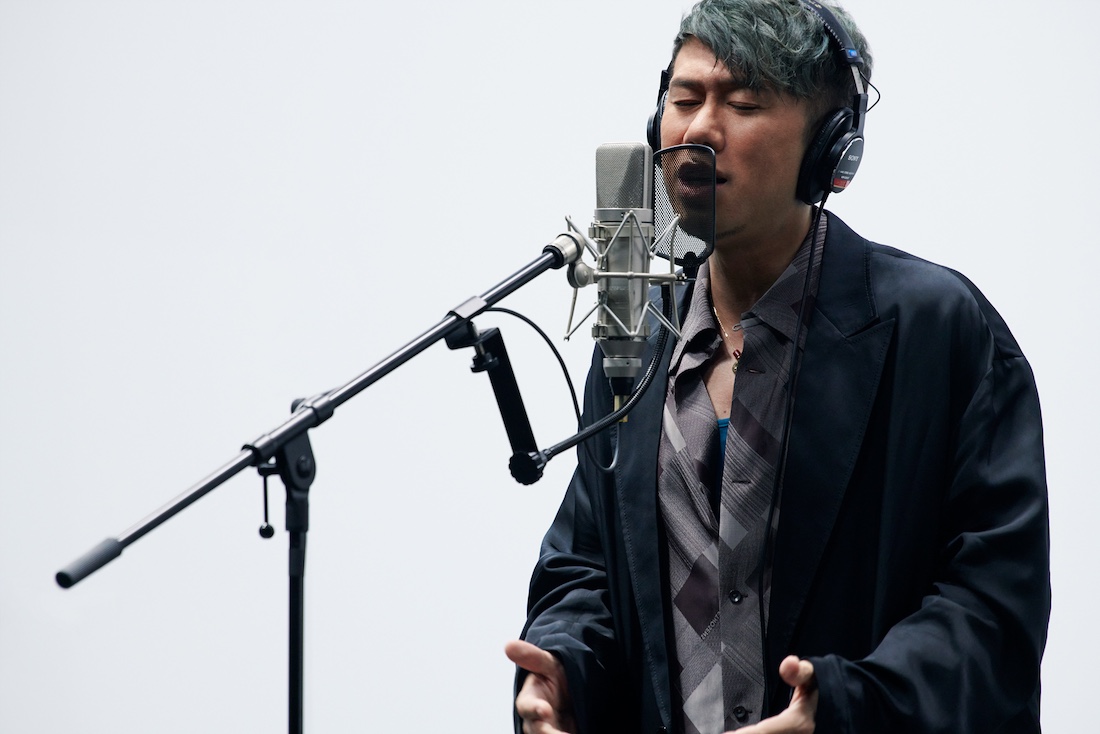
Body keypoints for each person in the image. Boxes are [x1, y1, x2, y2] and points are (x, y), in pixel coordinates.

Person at [505, 0, 1050, 732]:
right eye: (684, 100)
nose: (699, 131)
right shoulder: (637, 342)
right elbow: (590, 565)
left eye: (743, 104)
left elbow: (993, 605)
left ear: (831, 149)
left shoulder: (940, 330)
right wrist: (565, 672)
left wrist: (846, 707)